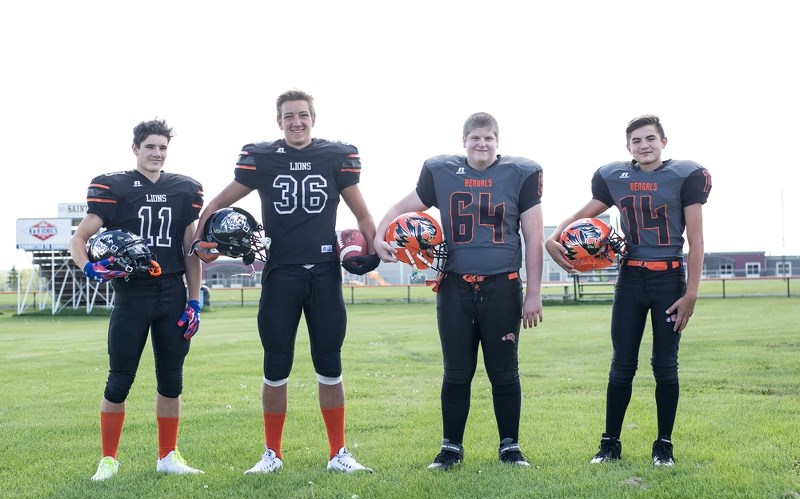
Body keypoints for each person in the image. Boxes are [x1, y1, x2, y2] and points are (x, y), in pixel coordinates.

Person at [192, 89, 379, 474]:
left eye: (303, 115)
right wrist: (201, 239)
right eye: (289, 116)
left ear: (314, 117)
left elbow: (362, 212)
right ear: (279, 121)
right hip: (281, 274)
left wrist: (373, 249)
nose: (297, 121)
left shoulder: (335, 156)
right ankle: (272, 454)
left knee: (330, 364)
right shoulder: (261, 158)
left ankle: (338, 453)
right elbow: (215, 205)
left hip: (325, 273)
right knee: (275, 365)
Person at [374, 112, 544, 470]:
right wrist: (378, 235)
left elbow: (533, 238)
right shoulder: (441, 171)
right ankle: (451, 448)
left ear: (498, 142)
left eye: (488, 138)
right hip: (455, 286)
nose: (481, 144)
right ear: (464, 141)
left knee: (504, 372)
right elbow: (399, 209)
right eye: (475, 138)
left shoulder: (521, 173)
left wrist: (534, 293)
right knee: (456, 372)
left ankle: (510, 447)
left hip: (503, 286)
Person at [545, 115, 711, 467]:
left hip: (669, 280)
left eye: (650, 138)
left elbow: (696, 241)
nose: (644, 145)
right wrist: (553, 235)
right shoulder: (616, 177)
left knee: (665, 366)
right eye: (637, 141)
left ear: (664, 142)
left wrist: (692, 293)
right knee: (622, 365)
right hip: (630, 279)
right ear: (628, 147)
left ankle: (663, 445)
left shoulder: (685, 175)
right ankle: (610, 444)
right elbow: (582, 215)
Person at [69, 119, 205, 481]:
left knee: (172, 379)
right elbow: (79, 238)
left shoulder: (184, 189)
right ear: (136, 149)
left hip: (173, 291)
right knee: (119, 379)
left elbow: (189, 249)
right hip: (132, 293)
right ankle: (108, 459)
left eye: (162, 147)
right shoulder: (115, 186)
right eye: (150, 147)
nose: (157, 153)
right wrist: (89, 269)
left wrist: (194, 300)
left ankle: (167, 456)